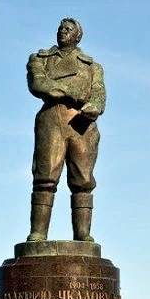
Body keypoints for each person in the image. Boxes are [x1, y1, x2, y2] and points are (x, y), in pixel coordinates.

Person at [25, 18, 106, 242]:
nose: (63, 32)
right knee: (45, 177)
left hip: (81, 123)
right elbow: (39, 84)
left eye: (68, 30)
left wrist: (94, 107)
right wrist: (72, 91)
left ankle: (83, 234)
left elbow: (98, 95)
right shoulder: (40, 59)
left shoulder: (92, 67)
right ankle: (38, 233)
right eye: (61, 28)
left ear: (77, 36)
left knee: (83, 181)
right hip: (52, 119)